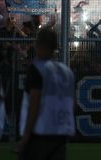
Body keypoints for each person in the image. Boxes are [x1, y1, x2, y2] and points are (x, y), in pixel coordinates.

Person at [16, 28, 75, 159]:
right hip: (60, 133)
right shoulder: (66, 71)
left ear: (38, 44)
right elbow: (72, 104)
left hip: (40, 132)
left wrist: (25, 137)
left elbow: (34, 104)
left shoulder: (37, 68)